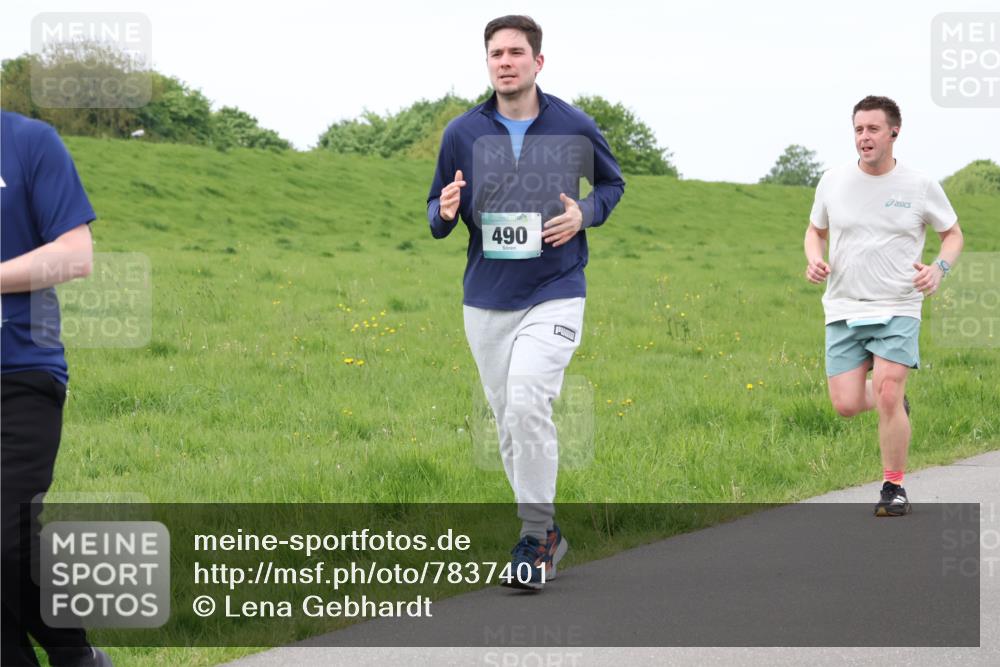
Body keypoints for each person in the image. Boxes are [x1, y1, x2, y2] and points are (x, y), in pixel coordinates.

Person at [426, 15, 625, 589]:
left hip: (556, 289)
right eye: (495, 53)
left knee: (526, 401)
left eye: (516, 52)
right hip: (486, 297)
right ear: (487, 63)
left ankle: (535, 538)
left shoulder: (573, 125)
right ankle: (550, 533)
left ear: (539, 62)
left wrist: (581, 214)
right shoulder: (462, 132)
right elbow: (437, 212)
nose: (505, 61)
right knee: (509, 423)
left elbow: (612, 186)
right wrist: (443, 209)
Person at [804, 95, 964, 517]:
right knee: (846, 405)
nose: (864, 137)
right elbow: (814, 230)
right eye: (858, 129)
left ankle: (893, 488)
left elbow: (953, 234)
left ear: (894, 131)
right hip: (843, 305)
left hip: (898, 304)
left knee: (889, 389)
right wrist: (813, 259)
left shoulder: (919, 185)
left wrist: (939, 268)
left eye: (873, 129)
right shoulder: (833, 181)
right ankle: (892, 404)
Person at [1, 110, 113, 666]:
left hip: (18, 370)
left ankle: (75, 655)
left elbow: (75, 254)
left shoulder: (27, 142)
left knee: (6, 536)